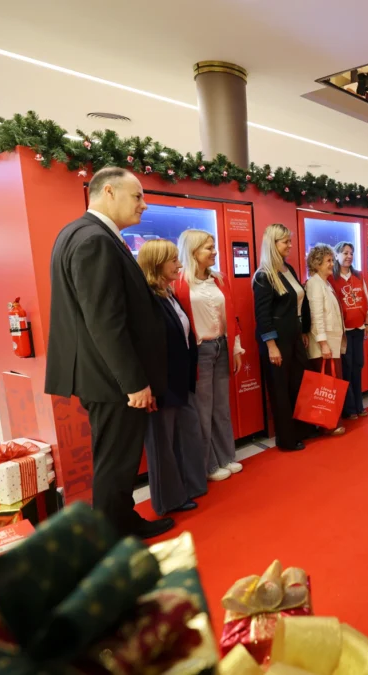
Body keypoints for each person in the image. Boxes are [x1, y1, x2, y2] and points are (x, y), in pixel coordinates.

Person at [45, 167, 172, 539]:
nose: (144, 205)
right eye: (138, 196)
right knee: (116, 461)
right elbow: (105, 321)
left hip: (102, 374)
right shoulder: (94, 240)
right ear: (110, 192)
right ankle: (111, 538)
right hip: (111, 378)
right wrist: (134, 383)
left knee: (117, 458)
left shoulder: (78, 233)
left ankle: (122, 521)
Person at [136, 240, 208, 515]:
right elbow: (144, 347)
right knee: (161, 444)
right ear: (156, 265)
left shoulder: (167, 293)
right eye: (173, 260)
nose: (179, 264)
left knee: (187, 434)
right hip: (161, 384)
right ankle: (168, 500)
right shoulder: (147, 298)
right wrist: (149, 387)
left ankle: (190, 485)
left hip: (180, 380)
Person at [173, 229, 245, 482]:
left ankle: (227, 456)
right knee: (203, 409)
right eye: (208, 247)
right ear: (193, 251)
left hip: (221, 346)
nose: (214, 251)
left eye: (213, 246)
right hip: (200, 350)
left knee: (221, 407)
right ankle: (209, 464)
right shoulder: (179, 282)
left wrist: (235, 348)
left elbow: (231, 315)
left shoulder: (219, 279)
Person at [253, 223, 315, 452]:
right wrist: (271, 345)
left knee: (297, 385)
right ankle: (286, 439)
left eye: (290, 241)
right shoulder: (263, 276)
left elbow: (299, 304)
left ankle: (300, 430)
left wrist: (304, 331)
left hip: (294, 336)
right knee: (280, 390)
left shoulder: (288, 269)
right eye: (285, 241)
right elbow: (262, 315)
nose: (290, 245)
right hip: (277, 340)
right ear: (273, 243)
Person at [305, 243, 347, 436]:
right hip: (324, 344)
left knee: (331, 384)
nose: (332, 264)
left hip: (332, 342)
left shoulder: (325, 283)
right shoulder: (314, 284)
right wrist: (322, 343)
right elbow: (316, 316)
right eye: (328, 261)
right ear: (317, 263)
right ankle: (327, 423)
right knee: (325, 385)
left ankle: (330, 420)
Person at [331, 242, 368, 421]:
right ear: (337, 255)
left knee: (357, 366)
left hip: (358, 329)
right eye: (345, 253)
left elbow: (366, 300)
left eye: (351, 253)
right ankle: (349, 408)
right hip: (343, 332)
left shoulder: (358, 276)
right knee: (346, 369)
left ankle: (359, 404)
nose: (349, 256)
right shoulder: (331, 278)